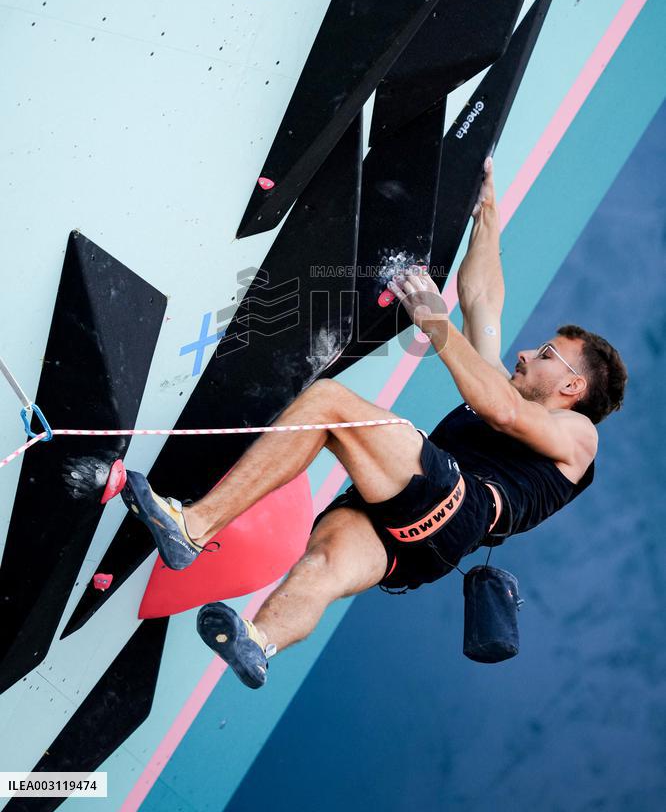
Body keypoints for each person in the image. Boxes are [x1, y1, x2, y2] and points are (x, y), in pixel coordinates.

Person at [120, 157, 627, 688]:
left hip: (456, 501)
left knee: (329, 403)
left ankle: (194, 527)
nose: (525, 353)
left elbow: (504, 410)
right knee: (323, 564)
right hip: (419, 544)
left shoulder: (579, 437)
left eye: (546, 354)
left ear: (573, 387)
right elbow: (482, 301)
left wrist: (434, 325)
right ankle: (259, 640)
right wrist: (488, 214)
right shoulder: (497, 386)